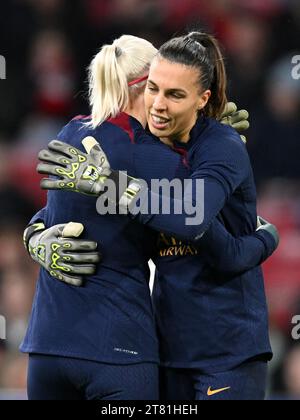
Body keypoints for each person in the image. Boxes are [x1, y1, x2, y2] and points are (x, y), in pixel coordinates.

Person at [26, 34, 278, 400]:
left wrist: (36, 232)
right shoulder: (162, 157)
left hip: (218, 349)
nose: (160, 103)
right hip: (150, 351)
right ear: (144, 85)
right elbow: (218, 241)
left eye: (175, 93)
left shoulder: (76, 135)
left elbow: (200, 226)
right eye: (156, 89)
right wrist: (267, 237)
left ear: (200, 97)